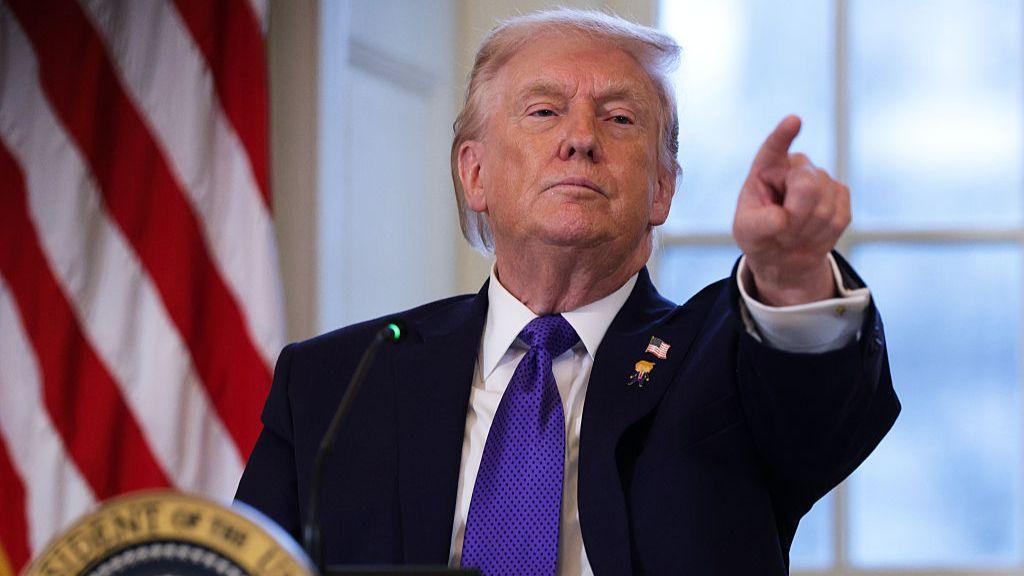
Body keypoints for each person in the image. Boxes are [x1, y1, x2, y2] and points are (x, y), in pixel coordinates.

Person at [236, 9, 899, 575]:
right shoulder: (338, 382)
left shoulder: (722, 363)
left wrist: (790, 275)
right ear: (475, 174)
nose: (580, 139)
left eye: (619, 119)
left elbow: (816, 411)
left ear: (663, 188)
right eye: (545, 111)